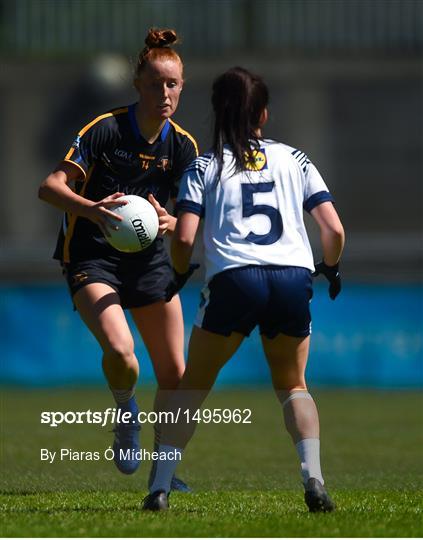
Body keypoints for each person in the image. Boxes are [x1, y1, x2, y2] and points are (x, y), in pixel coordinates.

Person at [143, 67, 345, 511]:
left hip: (234, 279)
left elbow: (182, 238)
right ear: (264, 114)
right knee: (293, 385)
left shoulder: (205, 165)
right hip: (291, 278)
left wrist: (179, 272)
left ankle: (159, 486)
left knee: (193, 386)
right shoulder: (297, 160)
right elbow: (333, 230)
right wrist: (328, 267)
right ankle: (313, 480)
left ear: (217, 111)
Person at [38, 28, 198, 491]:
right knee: (123, 355)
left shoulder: (183, 146)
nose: (164, 94)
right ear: (138, 86)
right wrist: (92, 210)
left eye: (172, 85)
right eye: (155, 84)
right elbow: (50, 187)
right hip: (93, 256)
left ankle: (162, 475)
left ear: (182, 87)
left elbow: (197, 213)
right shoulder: (105, 129)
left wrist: (174, 223)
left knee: (176, 375)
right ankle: (125, 410)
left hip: (149, 264)